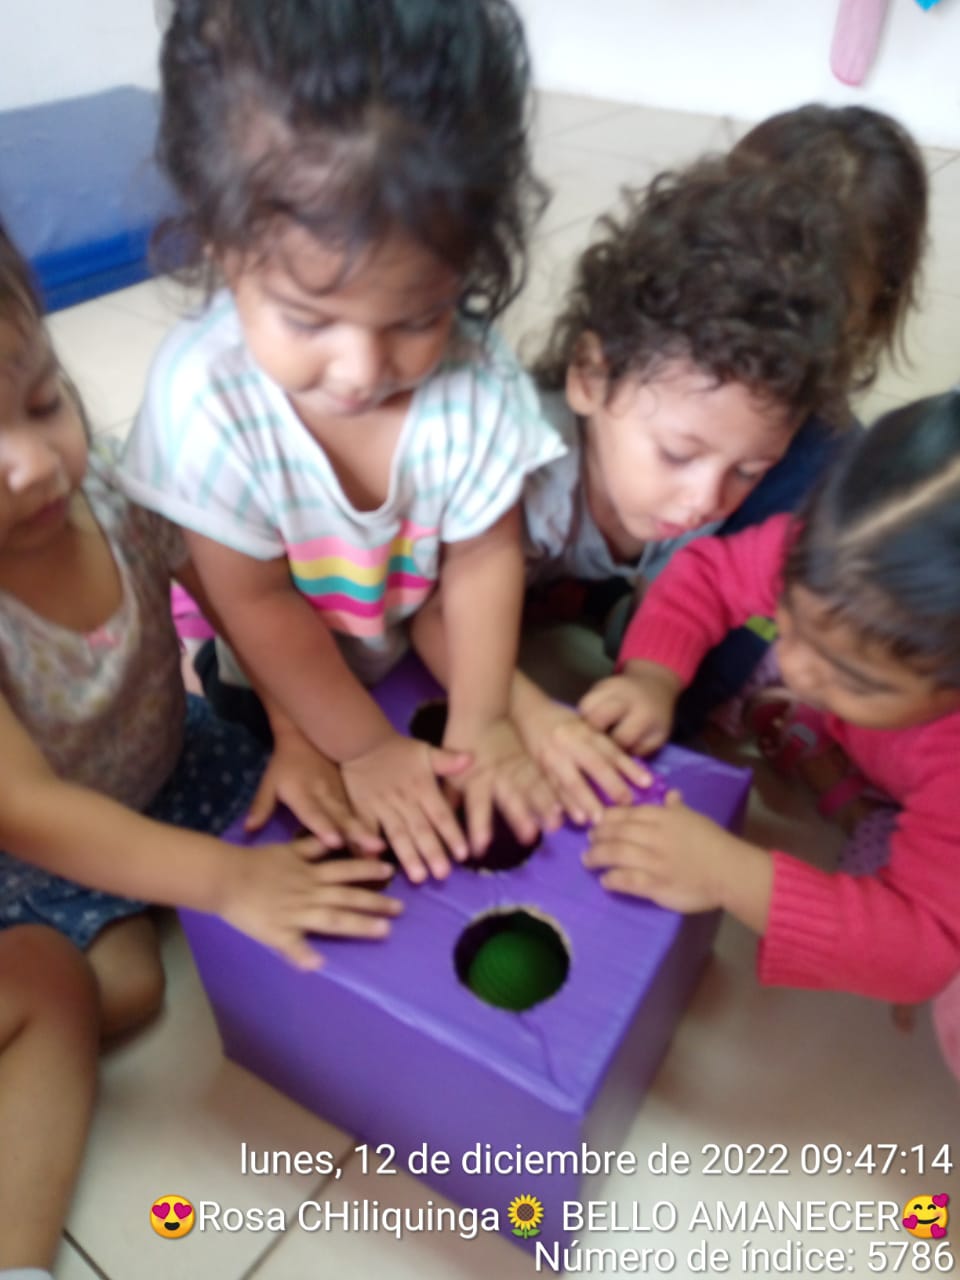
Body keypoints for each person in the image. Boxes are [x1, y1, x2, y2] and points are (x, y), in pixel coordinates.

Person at [0, 223, 402, 1277]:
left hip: (175, 767)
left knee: (335, 831)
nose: (32, 464)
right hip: (37, 853)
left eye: (41, 400)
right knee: (119, 991)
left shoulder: (110, 492)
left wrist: (292, 732)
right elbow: (29, 809)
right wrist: (227, 880)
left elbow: (233, 600)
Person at [120, 0, 565, 883]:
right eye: (308, 318)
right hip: (275, 675)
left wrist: (483, 722)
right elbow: (255, 604)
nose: (361, 371)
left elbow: (483, 556)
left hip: (409, 637)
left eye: (418, 317)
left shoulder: (475, 381)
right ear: (222, 248)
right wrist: (359, 747)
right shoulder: (205, 399)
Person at [581, 390, 960, 1007]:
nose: (801, 670)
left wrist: (731, 875)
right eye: (792, 619)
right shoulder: (837, 551)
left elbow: (920, 952)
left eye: (855, 678)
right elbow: (707, 574)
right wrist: (652, 676)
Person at [511, 156, 855, 823]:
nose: (706, 501)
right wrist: (529, 716)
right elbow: (447, 623)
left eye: (749, 470)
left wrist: (648, 679)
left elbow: (679, 598)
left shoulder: (697, 490)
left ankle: (584, 598)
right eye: (677, 454)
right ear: (589, 376)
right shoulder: (525, 468)